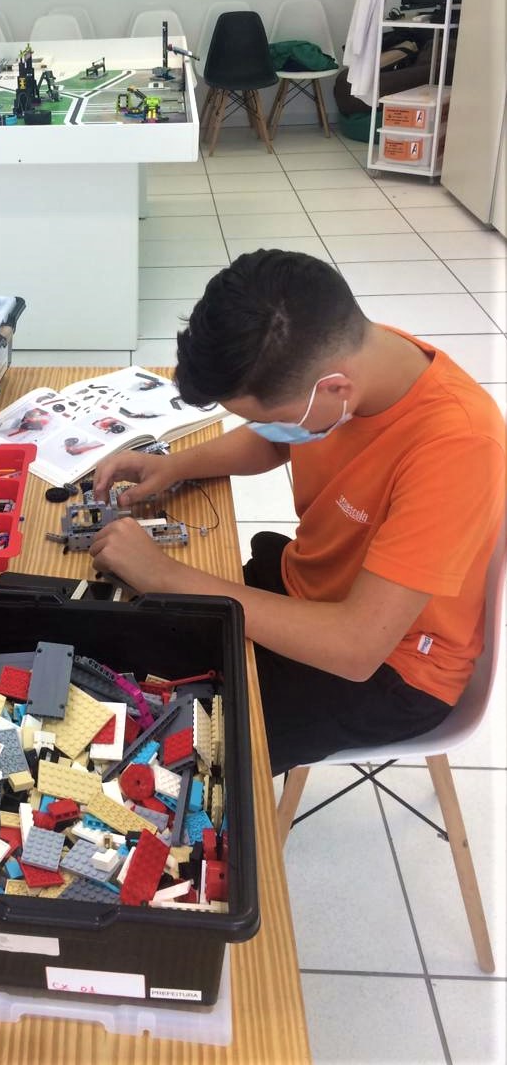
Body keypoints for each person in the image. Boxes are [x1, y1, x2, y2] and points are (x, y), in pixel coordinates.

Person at [90, 249, 505, 775]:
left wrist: (165, 575)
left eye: (276, 418)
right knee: (116, 643)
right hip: (307, 588)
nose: (272, 430)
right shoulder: (352, 358)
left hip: (389, 667)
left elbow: (356, 647)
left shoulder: (457, 447)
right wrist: (173, 466)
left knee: (175, 759)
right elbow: (275, 439)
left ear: (335, 390)